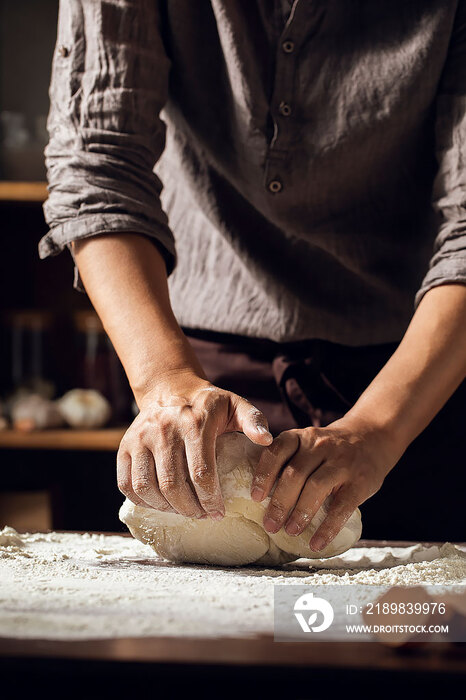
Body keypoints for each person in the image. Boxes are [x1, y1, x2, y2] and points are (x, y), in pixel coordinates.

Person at [40, 1, 466, 546]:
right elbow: (98, 163)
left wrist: (378, 430)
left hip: (417, 374)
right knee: (195, 625)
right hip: (193, 360)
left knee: (404, 620)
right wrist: (164, 380)